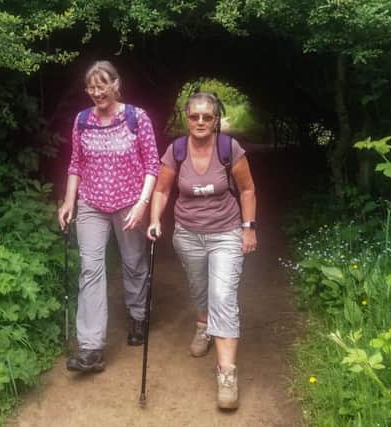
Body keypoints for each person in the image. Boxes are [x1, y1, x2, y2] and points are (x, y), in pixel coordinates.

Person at [146, 92, 257, 409]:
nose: (200, 122)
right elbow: (162, 189)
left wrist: (248, 227)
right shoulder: (176, 150)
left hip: (226, 233)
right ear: (186, 116)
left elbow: (248, 189)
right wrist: (154, 219)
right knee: (200, 288)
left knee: (222, 295)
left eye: (207, 117)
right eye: (195, 116)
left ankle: (226, 373)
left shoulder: (228, 149)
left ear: (216, 119)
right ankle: (202, 325)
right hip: (188, 235)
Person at [57, 60, 159, 372]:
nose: (97, 92)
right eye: (91, 86)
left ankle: (138, 315)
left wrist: (142, 205)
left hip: (130, 203)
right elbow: (76, 163)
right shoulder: (82, 120)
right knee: (90, 269)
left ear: (116, 84)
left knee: (133, 263)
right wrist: (68, 201)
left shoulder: (136, 117)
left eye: (103, 85)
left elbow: (152, 165)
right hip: (91, 204)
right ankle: (91, 347)